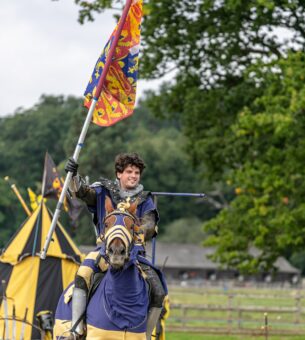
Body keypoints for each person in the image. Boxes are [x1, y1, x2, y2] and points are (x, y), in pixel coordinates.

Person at [65, 152, 166, 339]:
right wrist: (73, 175)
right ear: (119, 173)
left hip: (135, 255)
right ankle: (76, 330)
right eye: (129, 171)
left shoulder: (145, 199)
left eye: (137, 173)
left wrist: (140, 230)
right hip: (104, 252)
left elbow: (150, 224)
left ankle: (147, 334)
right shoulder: (103, 190)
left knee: (158, 291)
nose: (133, 176)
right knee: (83, 274)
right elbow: (82, 193)